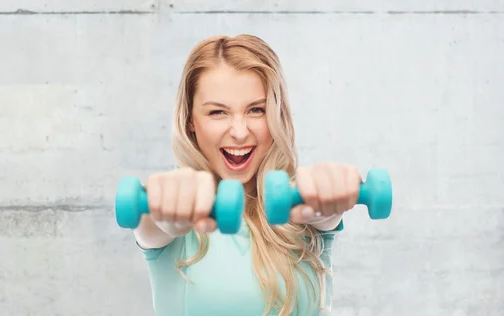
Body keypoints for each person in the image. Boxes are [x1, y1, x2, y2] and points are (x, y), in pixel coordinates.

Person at [132, 34, 362, 316]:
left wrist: (331, 193)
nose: (240, 132)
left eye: (256, 110)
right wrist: (166, 210)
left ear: (277, 114)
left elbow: (324, 215)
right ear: (190, 120)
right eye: (217, 112)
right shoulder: (169, 214)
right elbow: (154, 223)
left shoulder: (302, 209)